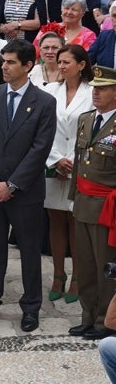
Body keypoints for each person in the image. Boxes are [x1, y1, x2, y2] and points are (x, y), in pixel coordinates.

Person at [0, 39, 58, 331]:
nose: (3, 67)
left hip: (26, 193)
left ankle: (31, 306)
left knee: (30, 251)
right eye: (3, 61)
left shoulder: (45, 102)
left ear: (28, 65)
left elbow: (40, 149)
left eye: (10, 62)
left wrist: (13, 184)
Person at [43, 46, 94, 309]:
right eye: (59, 62)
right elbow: (43, 128)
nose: (61, 66)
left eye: (66, 62)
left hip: (80, 163)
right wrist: (55, 159)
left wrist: (72, 162)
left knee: (75, 219)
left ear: (81, 65)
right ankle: (58, 274)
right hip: (53, 163)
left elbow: (94, 127)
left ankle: (77, 276)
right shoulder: (50, 91)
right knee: (55, 218)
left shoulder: (92, 91)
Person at [71, 65, 116, 340]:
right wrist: (73, 199)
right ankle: (87, 315)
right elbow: (79, 163)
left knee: (105, 266)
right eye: (95, 88)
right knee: (85, 265)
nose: (96, 93)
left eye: (103, 89)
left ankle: (104, 321)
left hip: (107, 208)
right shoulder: (86, 119)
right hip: (83, 202)